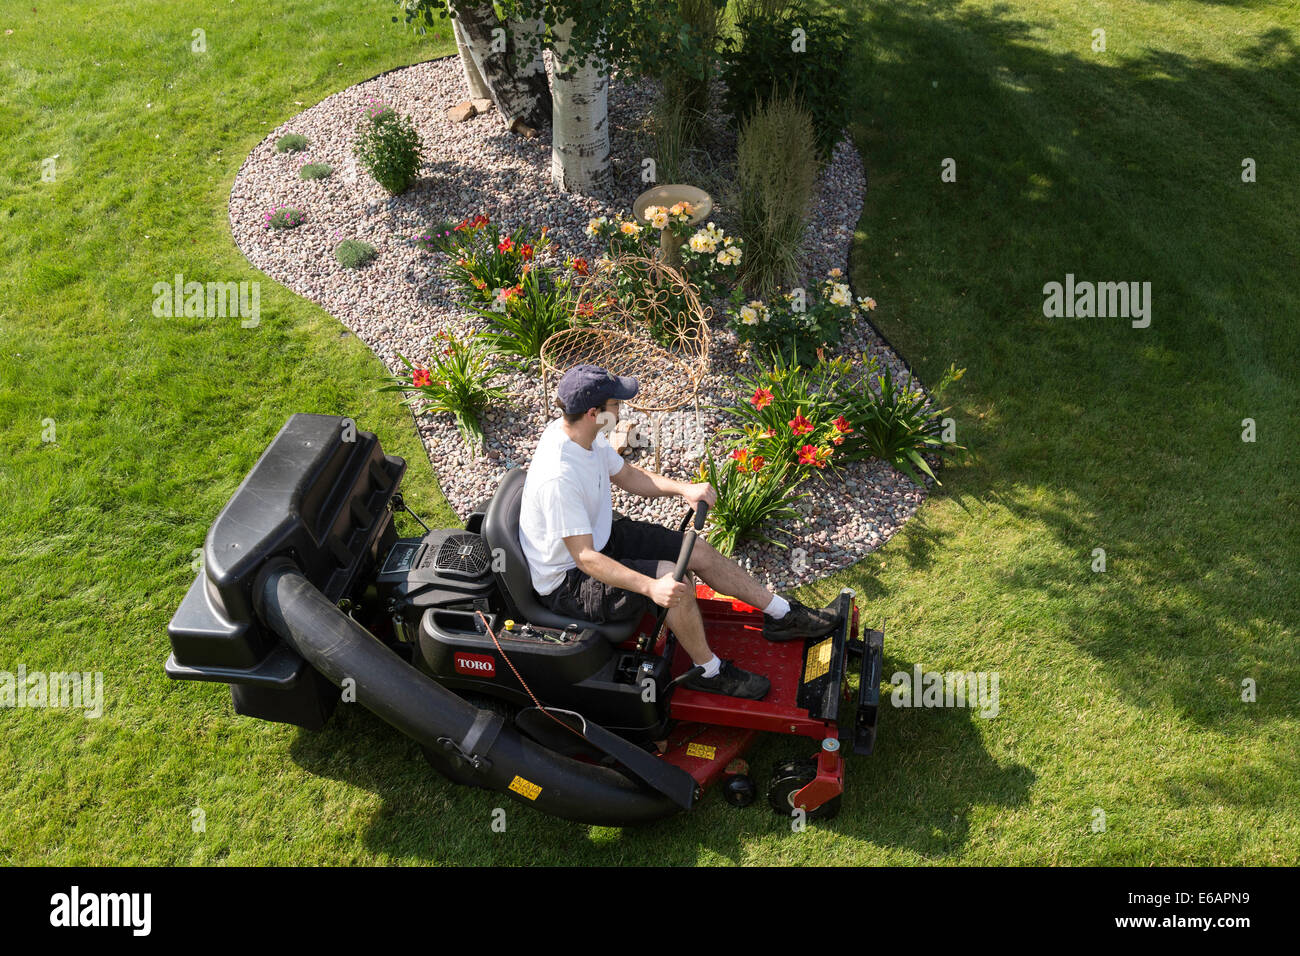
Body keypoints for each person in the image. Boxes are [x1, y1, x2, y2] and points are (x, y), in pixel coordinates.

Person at [517, 364, 843, 700]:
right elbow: (584, 558)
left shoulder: (583, 435)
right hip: (569, 582)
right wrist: (650, 586)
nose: (621, 410)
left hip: (601, 540)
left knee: (696, 549)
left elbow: (627, 475)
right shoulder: (559, 475)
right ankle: (708, 671)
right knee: (675, 582)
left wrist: (684, 489)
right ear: (592, 413)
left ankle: (781, 614)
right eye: (616, 404)